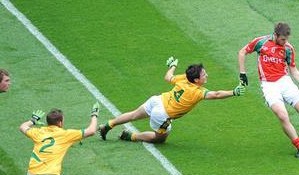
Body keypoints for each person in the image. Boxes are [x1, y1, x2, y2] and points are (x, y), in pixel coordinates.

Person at [98, 57, 246, 143]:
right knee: (160, 139)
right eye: (204, 75)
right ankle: (130, 136)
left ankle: (108, 124)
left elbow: (168, 77)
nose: (207, 75)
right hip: (162, 114)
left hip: (157, 100)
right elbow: (217, 95)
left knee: (132, 115)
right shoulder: (197, 92)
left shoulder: (183, 78)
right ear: (196, 79)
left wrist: (173, 66)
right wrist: (234, 92)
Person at [238, 22, 299, 158]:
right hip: (269, 86)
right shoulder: (260, 42)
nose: (285, 42)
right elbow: (242, 52)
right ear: (275, 35)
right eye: (283, 39)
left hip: (285, 82)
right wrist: (242, 73)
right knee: (283, 116)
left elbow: (293, 69)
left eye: (287, 39)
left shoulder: (288, 48)